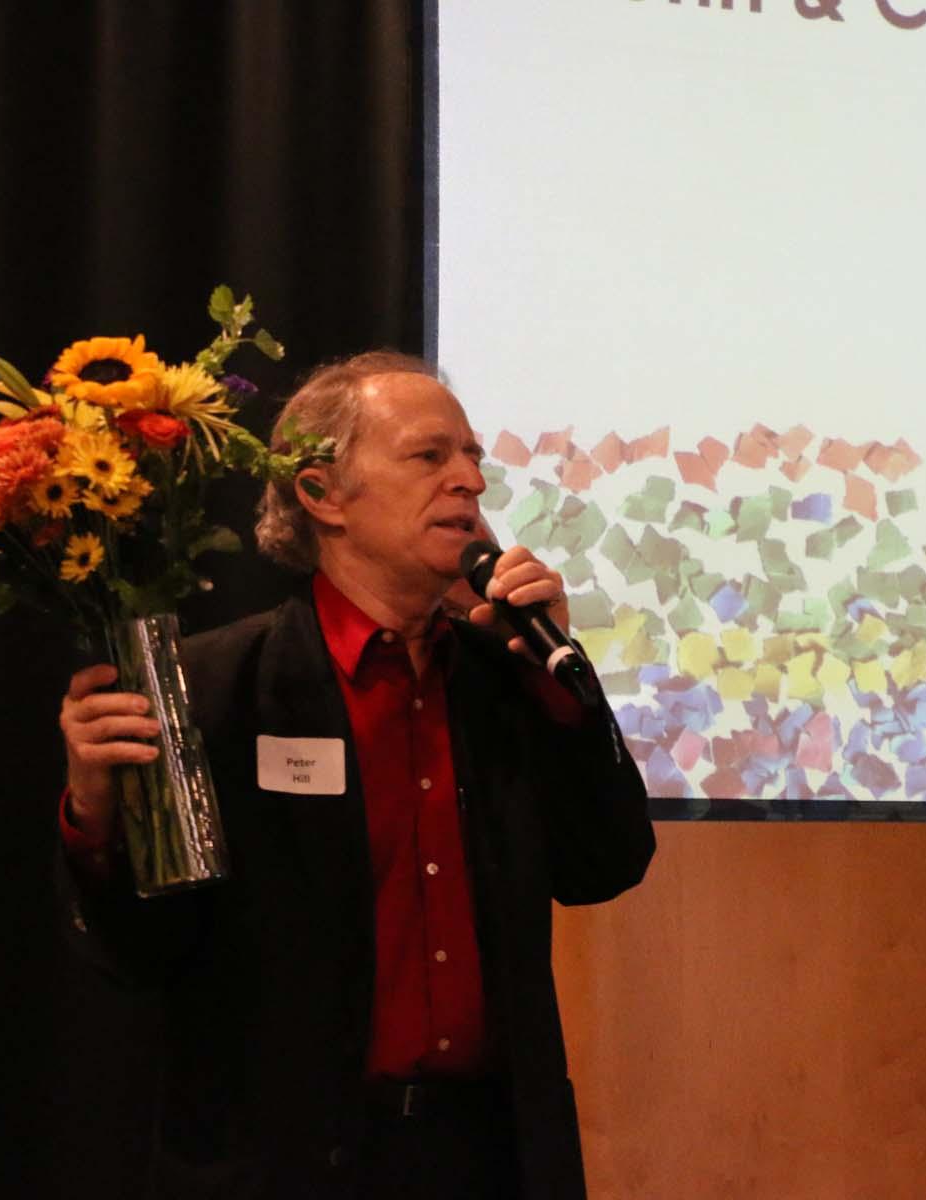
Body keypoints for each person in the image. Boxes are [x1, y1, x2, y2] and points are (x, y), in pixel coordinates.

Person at [55, 351, 655, 1199]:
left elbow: (606, 866)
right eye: (429, 456)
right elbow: (140, 954)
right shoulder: (215, 686)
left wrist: (563, 692)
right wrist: (95, 812)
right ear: (321, 494)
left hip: (488, 1157)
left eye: (474, 459)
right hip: (286, 1164)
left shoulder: (504, 678)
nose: (469, 483)